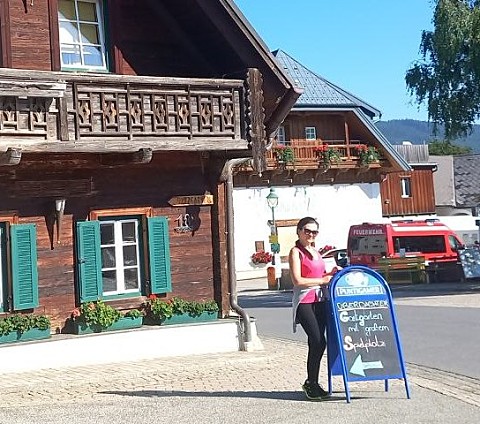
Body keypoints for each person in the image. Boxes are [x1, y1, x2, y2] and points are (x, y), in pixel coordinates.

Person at [289, 217, 335, 401]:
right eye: (307, 231)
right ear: (299, 231)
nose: (310, 234)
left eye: (314, 232)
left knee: (316, 343)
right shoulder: (295, 252)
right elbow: (297, 280)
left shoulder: (315, 251)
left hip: (320, 299)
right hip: (305, 301)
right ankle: (310, 383)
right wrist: (322, 280)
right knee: (318, 341)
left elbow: (319, 274)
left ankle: (313, 382)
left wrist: (330, 274)